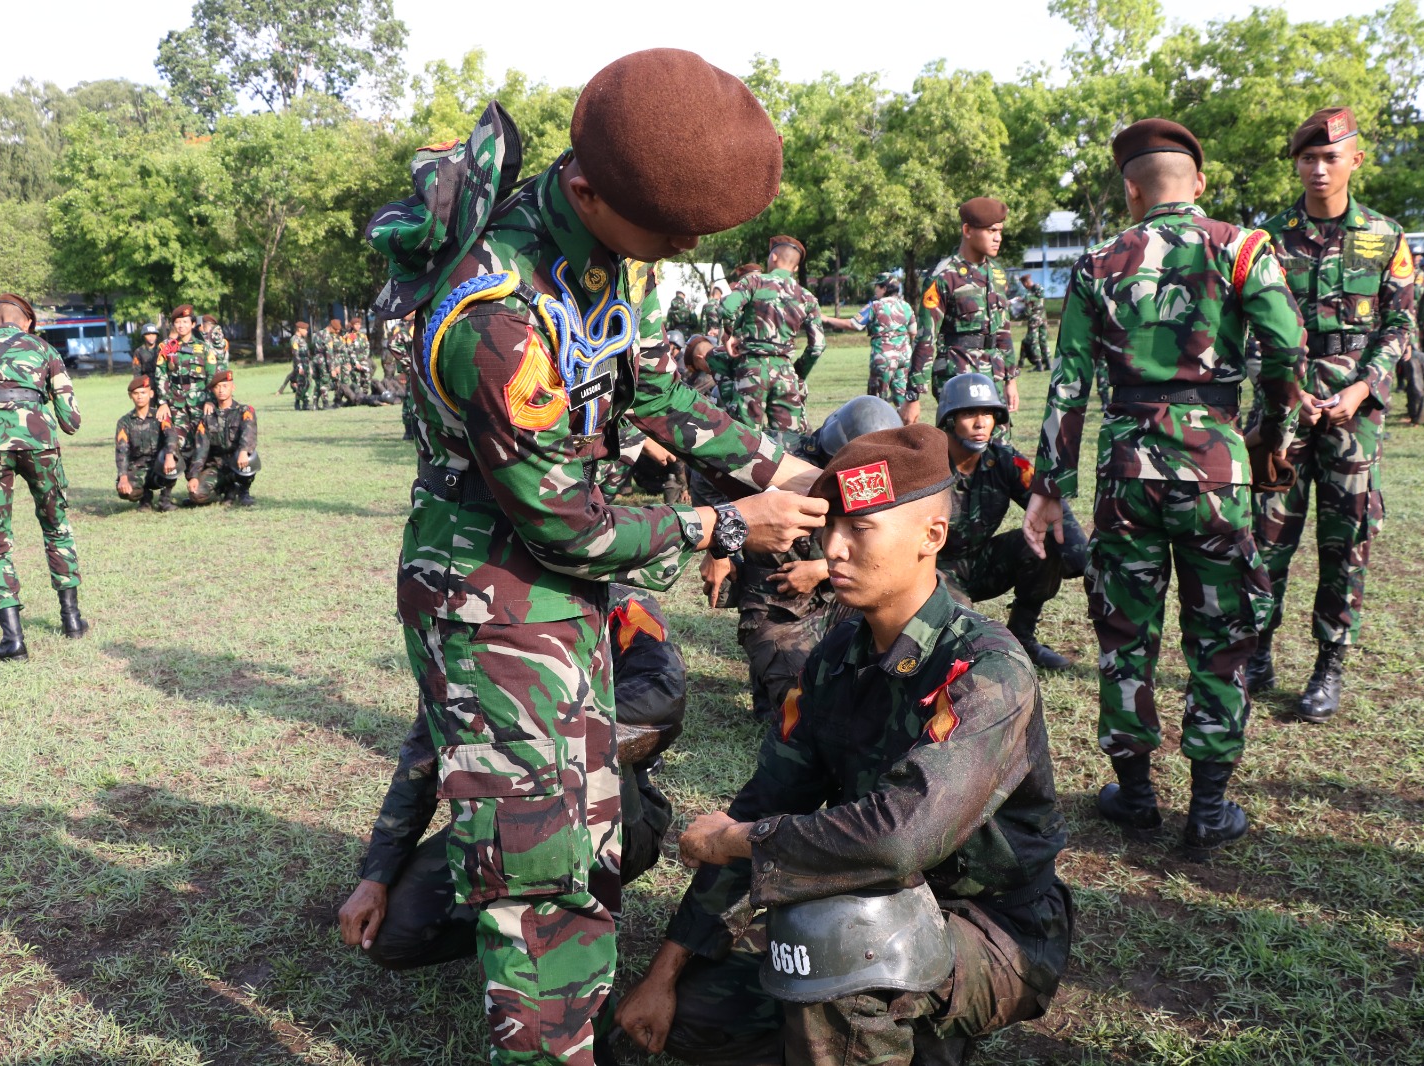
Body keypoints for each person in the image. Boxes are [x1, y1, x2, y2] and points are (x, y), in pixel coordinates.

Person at [362, 49, 825, 1065]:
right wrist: (721, 525)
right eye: (670, 230)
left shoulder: (594, 252)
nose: (685, 244)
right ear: (585, 187)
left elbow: (646, 391)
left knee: (585, 818)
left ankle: (567, 1011)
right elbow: (567, 521)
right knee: (538, 863)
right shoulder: (498, 320)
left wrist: (778, 463)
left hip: (555, 587)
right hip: (491, 590)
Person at [618, 423, 1071, 1065]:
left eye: (861, 531)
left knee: (835, 947)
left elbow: (898, 838)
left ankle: (907, 1023)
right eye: (831, 529)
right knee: (695, 1017)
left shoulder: (986, 668)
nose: (834, 550)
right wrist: (664, 972)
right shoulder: (837, 655)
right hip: (875, 902)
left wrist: (741, 841)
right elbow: (765, 800)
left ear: (930, 538)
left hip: (992, 923)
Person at [1022, 119, 1305, 858]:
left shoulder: (1096, 264)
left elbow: (1070, 383)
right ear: (1199, 185)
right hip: (1218, 466)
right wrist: (1272, 430)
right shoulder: (1243, 248)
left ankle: (1137, 795)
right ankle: (1208, 807)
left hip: (1126, 471)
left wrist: (1050, 486)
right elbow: (1286, 347)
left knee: (1125, 633)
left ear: (1131, 190)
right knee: (1223, 637)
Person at [337, 585, 687, 970]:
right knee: (394, 935)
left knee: (560, 961)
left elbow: (663, 700)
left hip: (606, 814)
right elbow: (421, 759)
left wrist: (535, 745)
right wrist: (377, 875)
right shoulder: (464, 628)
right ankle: (526, 914)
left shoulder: (615, 602)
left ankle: (569, 935)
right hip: (507, 816)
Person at [1247, 108, 1415, 725]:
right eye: (1307, 157)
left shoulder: (1385, 236)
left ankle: (1328, 665)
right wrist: (1282, 391)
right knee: (1266, 539)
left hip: (1353, 420)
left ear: (1355, 161)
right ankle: (1257, 651)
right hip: (1281, 417)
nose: (1318, 168)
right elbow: (1249, 325)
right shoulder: (1266, 237)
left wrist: (1362, 388)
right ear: (1296, 162)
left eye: (1330, 157)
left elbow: (1399, 326)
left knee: (1346, 543)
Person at [699, 396, 902, 724]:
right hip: (775, 602)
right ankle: (769, 680)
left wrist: (822, 568)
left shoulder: (882, 477)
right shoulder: (776, 452)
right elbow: (706, 469)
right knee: (811, 716)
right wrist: (718, 548)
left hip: (840, 594)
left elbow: (893, 543)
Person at [0, 294, 89, 659]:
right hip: (40, 445)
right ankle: (72, 620)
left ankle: (14, 641)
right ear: (25, 322)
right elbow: (71, 421)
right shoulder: (43, 349)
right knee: (56, 526)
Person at [935, 373, 1086, 672]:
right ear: (950, 420)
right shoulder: (925, 463)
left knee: (1044, 543)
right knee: (955, 643)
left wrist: (1079, 556)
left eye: (988, 413)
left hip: (981, 562)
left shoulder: (1003, 459)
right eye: (969, 414)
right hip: (932, 569)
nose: (981, 423)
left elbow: (1047, 500)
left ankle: (1023, 638)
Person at [903, 196, 1017, 426]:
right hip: (958, 375)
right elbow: (926, 337)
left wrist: (1010, 379)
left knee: (999, 447)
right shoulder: (944, 276)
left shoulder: (997, 274)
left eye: (1000, 231)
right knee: (961, 447)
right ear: (967, 230)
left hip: (993, 374)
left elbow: (1003, 330)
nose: (998, 238)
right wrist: (913, 395)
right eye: (991, 230)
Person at [717, 234, 827, 431]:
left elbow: (727, 308)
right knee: (791, 442)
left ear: (774, 257)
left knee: (746, 440)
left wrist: (730, 334)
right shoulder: (808, 298)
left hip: (752, 369)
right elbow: (818, 345)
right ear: (794, 268)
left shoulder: (754, 282)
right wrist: (797, 371)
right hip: (785, 373)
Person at [821, 272, 917, 407]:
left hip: (883, 358)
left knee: (876, 403)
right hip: (904, 357)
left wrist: (827, 319)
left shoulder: (875, 306)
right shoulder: (906, 306)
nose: (875, 290)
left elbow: (854, 324)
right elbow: (913, 333)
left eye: (876, 287)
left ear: (884, 288)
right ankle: (908, 427)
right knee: (902, 401)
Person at [153, 304, 219, 463]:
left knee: (203, 442)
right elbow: (160, 374)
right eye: (178, 322)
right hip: (176, 403)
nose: (181, 326)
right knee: (178, 444)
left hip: (201, 403)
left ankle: (199, 480)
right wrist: (163, 402)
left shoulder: (204, 347)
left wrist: (210, 399)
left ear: (193, 324)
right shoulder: (167, 348)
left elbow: (212, 375)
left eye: (185, 322)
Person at [186, 369, 258, 506]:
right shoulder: (207, 418)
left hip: (238, 462)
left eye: (225, 386)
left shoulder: (244, 411)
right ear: (213, 390)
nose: (221, 390)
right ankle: (223, 491)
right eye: (217, 387)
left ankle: (243, 490)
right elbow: (201, 448)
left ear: (233, 387)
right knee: (196, 495)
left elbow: (249, 433)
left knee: (250, 455)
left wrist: (244, 451)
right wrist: (194, 476)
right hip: (217, 467)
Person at [114, 375, 179, 511]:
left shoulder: (160, 416)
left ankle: (165, 500)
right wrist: (123, 477)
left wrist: (169, 457)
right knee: (126, 491)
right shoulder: (125, 422)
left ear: (151, 394)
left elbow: (171, 436)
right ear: (130, 396)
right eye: (136, 393)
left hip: (160, 465)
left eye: (143, 393)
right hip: (138, 467)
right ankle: (145, 499)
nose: (140, 397)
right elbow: (122, 450)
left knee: (174, 455)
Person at [1018, 273, 1051, 372]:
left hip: (1034, 320)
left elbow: (1028, 311)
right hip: (1043, 318)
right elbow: (1040, 301)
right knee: (1043, 340)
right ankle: (1048, 363)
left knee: (1034, 341)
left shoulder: (1029, 294)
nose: (1024, 286)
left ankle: (1039, 364)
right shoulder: (1039, 289)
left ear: (1026, 283)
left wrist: (1024, 310)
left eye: (1024, 284)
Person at [311, 318, 342, 410]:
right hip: (323, 361)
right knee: (325, 382)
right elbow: (329, 353)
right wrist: (332, 369)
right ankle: (325, 404)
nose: (336, 332)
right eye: (335, 330)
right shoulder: (328, 337)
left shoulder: (317, 334)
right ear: (331, 327)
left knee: (317, 383)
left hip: (315, 360)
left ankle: (315, 404)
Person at [282, 321, 312, 410]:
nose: (307, 331)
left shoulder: (302, 340)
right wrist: (299, 366)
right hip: (300, 366)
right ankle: (298, 402)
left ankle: (306, 402)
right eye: (305, 330)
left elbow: (307, 355)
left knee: (308, 383)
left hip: (306, 365)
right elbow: (295, 353)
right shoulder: (294, 339)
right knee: (301, 384)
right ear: (299, 329)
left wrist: (309, 366)